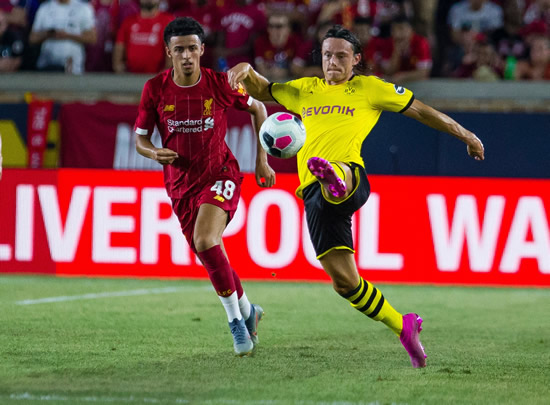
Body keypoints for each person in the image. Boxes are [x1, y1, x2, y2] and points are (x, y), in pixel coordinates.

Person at [228, 25, 485, 368]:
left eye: (341, 56)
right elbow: (262, 88)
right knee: (345, 283)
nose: (332, 62)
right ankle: (403, 325)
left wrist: (465, 134)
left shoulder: (368, 88)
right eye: (327, 55)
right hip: (313, 195)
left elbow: (421, 110)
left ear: (356, 60)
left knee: (339, 177)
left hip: (353, 179)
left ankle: (336, 177)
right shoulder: (304, 90)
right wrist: (245, 69)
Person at [134, 17, 276, 357]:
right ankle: (248, 310)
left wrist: (262, 159)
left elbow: (258, 108)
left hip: (220, 174)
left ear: (202, 50)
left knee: (205, 239)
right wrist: (154, 152)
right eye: (179, 49)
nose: (186, 56)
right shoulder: (155, 88)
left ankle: (235, 325)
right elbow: (139, 138)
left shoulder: (219, 84)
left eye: (192, 49)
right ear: (168, 52)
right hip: (180, 186)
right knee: (210, 252)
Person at [29, 0, 97, 74]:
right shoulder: (45, 8)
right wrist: (49, 34)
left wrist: (68, 35)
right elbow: (32, 38)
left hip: (72, 68)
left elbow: (92, 38)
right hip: (47, 66)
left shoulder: (83, 8)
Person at [113, 0, 173, 74]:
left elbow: (173, 54)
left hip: (157, 80)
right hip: (130, 79)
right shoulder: (128, 22)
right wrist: (121, 71)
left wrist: (161, 78)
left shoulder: (168, 21)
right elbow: (118, 53)